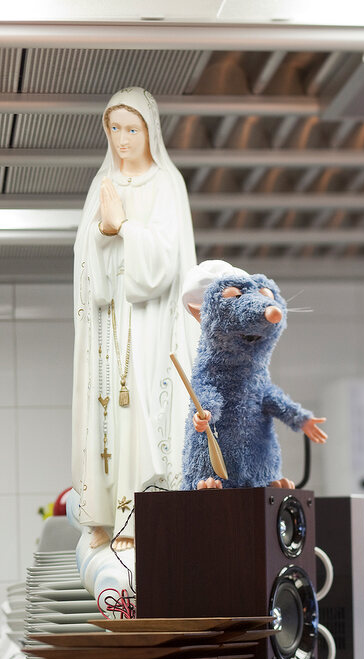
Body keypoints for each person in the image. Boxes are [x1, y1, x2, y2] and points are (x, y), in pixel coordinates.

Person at [71, 86, 198, 550]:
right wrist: (104, 230)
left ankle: (141, 513)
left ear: (149, 131)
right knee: (104, 411)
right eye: (115, 128)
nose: (122, 139)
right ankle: (105, 513)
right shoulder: (103, 184)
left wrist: (124, 227)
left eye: (132, 128)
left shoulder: (166, 183)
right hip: (108, 320)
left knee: (144, 407)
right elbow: (85, 256)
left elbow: (165, 261)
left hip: (148, 321)